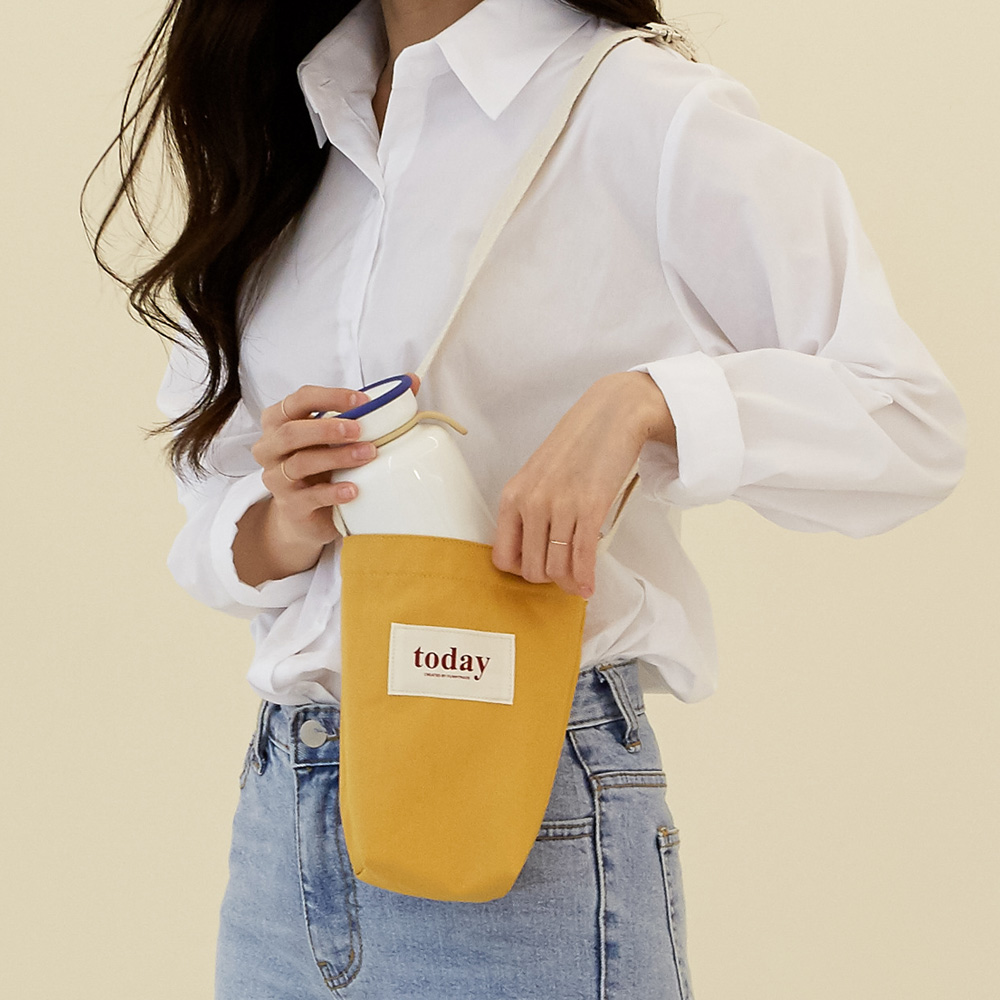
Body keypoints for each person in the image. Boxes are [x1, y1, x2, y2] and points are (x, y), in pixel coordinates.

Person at [88, 0, 965, 997]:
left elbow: (909, 422)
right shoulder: (293, 122)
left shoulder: (639, 110)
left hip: (521, 811)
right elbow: (208, 511)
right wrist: (286, 516)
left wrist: (649, 404)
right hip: (287, 826)